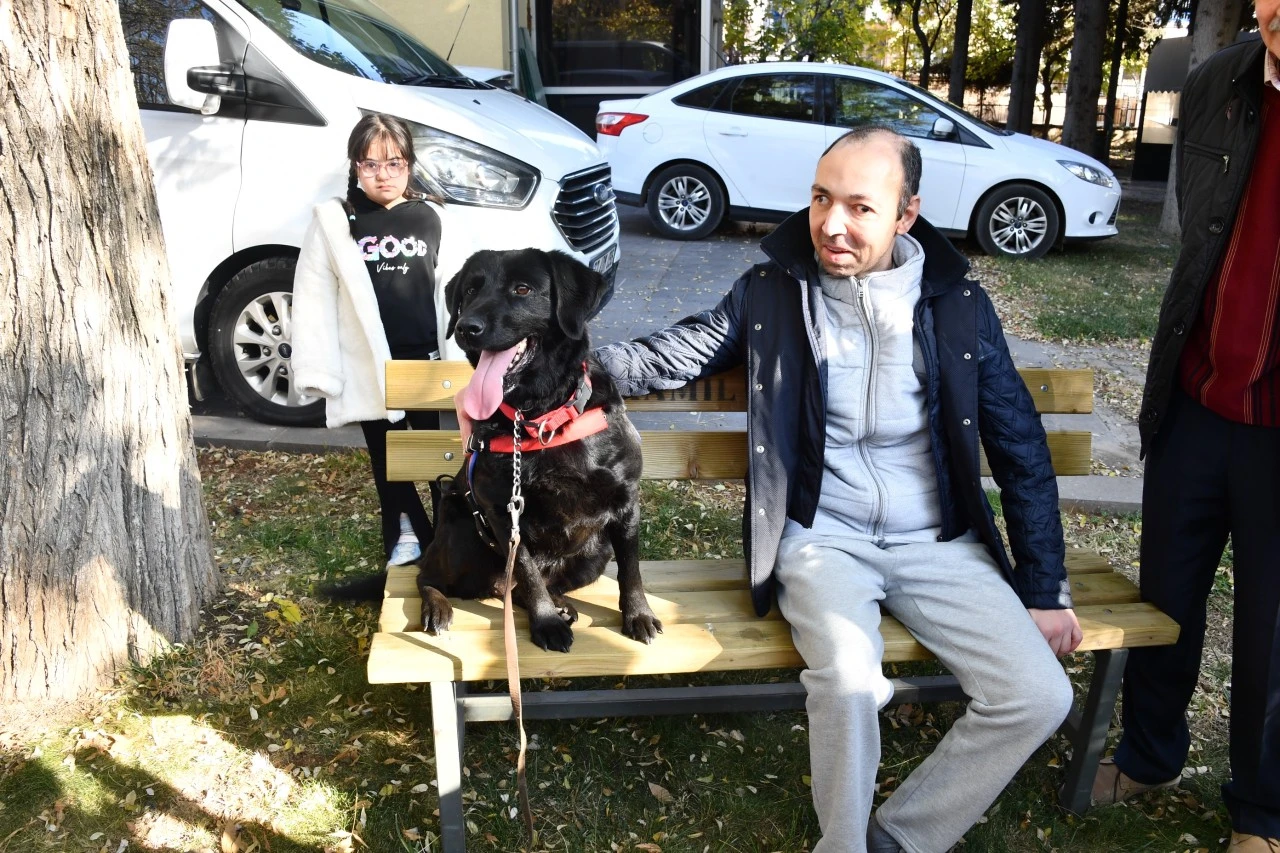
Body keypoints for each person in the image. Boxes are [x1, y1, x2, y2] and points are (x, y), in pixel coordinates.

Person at [597, 125, 1081, 853]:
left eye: (860, 206)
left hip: (937, 543)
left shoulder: (957, 305)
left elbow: (1020, 449)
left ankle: (903, 837)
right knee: (850, 683)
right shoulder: (773, 291)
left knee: (1039, 695)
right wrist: (566, 369)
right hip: (823, 539)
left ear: (907, 214)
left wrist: (1045, 588)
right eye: (821, 198)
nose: (830, 224)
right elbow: (678, 350)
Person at [1091, 4, 1280, 850]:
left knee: (1273, 632)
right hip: (1196, 401)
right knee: (1166, 595)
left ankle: (1263, 811)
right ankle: (1150, 753)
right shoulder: (1217, 83)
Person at [292, 113, 444, 567]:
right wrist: (318, 367)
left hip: (426, 364)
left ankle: (449, 534)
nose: (383, 175)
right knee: (388, 454)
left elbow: (453, 288)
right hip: (370, 365)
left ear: (409, 164)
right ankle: (407, 533)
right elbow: (313, 292)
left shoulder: (432, 216)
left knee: (437, 453)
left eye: (394, 163)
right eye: (371, 164)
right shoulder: (337, 221)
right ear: (355, 166)